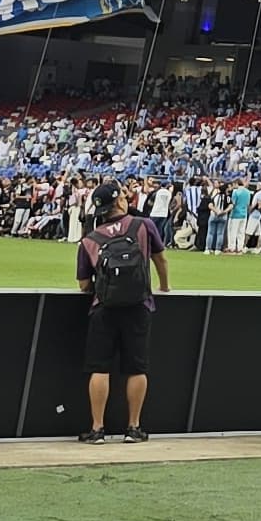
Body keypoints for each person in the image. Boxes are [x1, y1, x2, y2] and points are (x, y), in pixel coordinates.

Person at [76, 184, 171, 442]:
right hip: (139, 305)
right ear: (119, 201)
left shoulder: (89, 239)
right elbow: (161, 259)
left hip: (104, 308)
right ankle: (133, 427)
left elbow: (84, 283)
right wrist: (163, 287)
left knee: (99, 368)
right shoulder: (143, 225)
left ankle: (97, 429)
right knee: (136, 367)